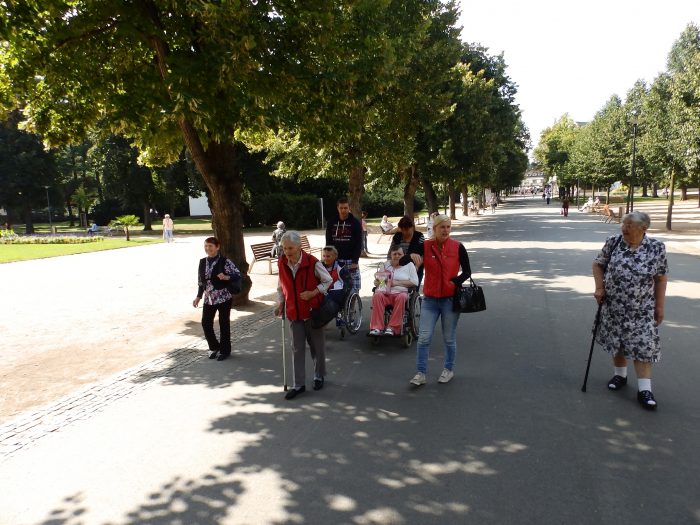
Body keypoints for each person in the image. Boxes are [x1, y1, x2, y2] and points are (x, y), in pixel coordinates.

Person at [592, 211, 668, 409]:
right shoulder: (613, 242)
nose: (624, 228)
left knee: (643, 346)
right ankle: (620, 376)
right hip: (614, 305)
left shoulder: (656, 247)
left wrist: (660, 306)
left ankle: (645, 390)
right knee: (616, 341)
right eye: (623, 224)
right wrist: (599, 287)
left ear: (643, 228)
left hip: (642, 308)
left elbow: (660, 278)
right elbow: (598, 265)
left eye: (629, 225)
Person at [410, 214, 472, 386]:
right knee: (424, 338)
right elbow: (406, 258)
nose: (445, 230)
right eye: (442, 227)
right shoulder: (425, 246)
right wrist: (412, 255)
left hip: (450, 301)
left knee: (449, 338)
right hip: (430, 300)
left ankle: (448, 369)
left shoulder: (458, 246)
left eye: (448, 227)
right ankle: (421, 373)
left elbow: (467, 271)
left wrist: (454, 282)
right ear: (434, 229)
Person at [275, 231, 333, 400]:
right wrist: (280, 303)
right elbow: (281, 285)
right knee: (297, 348)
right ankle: (298, 384)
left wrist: (313, 292)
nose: (287, 252)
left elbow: (328, 280)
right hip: (293, 312)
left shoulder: (312, 262)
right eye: (284, 248)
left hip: (312, 312)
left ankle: (319, 375)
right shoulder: (282, 262)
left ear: (299, 247)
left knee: (317, 347)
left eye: (290, 248)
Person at [193, 237, 241, 361]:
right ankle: (214, 347)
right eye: (206, 246)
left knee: (224, 324)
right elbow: (200, 281)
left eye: (210, 246)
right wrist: (198, 296)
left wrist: (226, 277)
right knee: (206, 323)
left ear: (217, 247)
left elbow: (237, 274)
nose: (208, 248)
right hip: (209, 298)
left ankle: (225, 350)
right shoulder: (202, 262)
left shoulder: (224, 261)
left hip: (224, 297)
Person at [369, 245, 419, 336]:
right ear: (391, 255)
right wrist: (377, 282)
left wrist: (396, 283)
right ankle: (376, 327)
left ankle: (392, 327)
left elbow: (415, 282)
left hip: (400, 293)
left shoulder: (409, 265)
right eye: (394, 254)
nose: (397, 256)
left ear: (404, 255)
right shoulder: (385, 265)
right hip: (385, 293)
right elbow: (379, 280)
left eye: (399, 254)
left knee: (402, 296)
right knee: (377, 295)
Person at [326, 197, 363, 292]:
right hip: (336, 260)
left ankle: (354, 301)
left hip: (350, 260)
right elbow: (328, 242)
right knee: (336, 287)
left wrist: (355, 261)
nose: (343, 210)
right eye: (341, 208)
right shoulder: (331, 222)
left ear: (349, 208)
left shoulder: (355, 223)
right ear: (337, 208)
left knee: (354, 288)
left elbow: (359, 243)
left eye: (345, 208)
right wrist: (328, 258)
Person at [389, 215, 424, 284]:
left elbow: (423, 255)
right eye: (403, 230)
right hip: (399, 269)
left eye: (407, 229)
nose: (405, 232)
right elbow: (390, 252)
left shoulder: (419, 236)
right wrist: (390, 266)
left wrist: (416, 266)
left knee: (413, 289)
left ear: (412, 227)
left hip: (415, 270)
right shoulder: (397, 236)